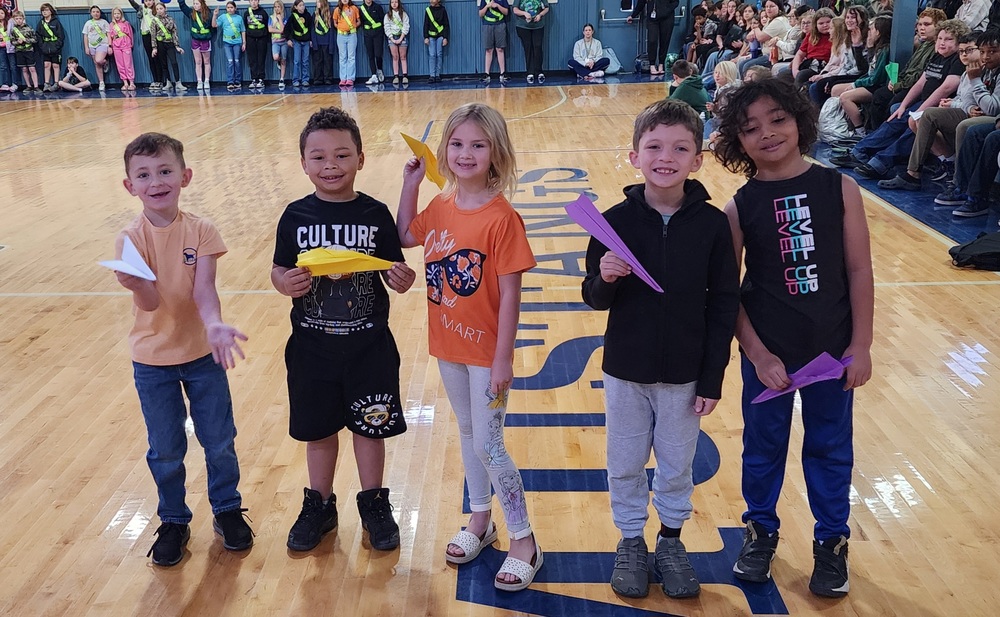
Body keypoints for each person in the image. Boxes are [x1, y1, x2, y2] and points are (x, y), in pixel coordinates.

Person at [712, 77, 873, 599]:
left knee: (830, 449)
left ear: (800, 121)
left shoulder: (840, 188)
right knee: (762, 450)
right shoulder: (739, 206)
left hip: (832, 353)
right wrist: (757, 353)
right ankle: (760, 531)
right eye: (750, 127)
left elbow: (859, 270)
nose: (767, 133)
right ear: (737, 142)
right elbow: (727, 292)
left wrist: (862, 345)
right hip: (769, 359)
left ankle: (832, 544)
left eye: (777, 119)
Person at [582, 99, 739, 600]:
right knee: (625, 461)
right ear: (634, 156)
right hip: (625, 371)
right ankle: (631, 541)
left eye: (680, 148)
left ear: (698, 159)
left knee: (676, 465)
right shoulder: (610, 222)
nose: (665, 156)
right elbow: (593, 297)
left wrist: (712, 377)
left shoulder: (714, 227)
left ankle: (670, 541)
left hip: (686, 376)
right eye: (653, 146)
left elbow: (724, 306)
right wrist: (604, 278)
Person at [396, 102, 542, 592]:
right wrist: (411, 185)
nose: (465, 153)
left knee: (489, 443)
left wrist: (503, 357)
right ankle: (481, 518)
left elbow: (512, 297)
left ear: (496, 153)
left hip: (488, 355)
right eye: (457, 144)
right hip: (448, 345)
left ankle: (524, 540)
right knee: (466, 433)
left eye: (478, 144)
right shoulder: (440, 206)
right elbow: (403, 236)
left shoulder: (503, 218)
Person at [271, 107, 416, 555]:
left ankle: (373, 502)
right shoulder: (295, 216)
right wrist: (285, 283)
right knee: (318, 433)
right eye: (318, 157)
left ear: (361, 159)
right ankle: (320, 503)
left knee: (370, 429)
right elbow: (279, 271)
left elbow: (395, 268)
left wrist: (402, 278)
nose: (330, 166)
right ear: (303, 163)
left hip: (369, 348)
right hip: (311, 350)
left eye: (341, 155)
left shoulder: (375, 215)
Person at [113, 132, 255, 568]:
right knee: (166, 448)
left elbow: (205, 290)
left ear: (184, 176)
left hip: (202, 357)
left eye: (164, 171)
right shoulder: (129, 239)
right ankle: (173, 519)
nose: (155, 181)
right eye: (144, 174)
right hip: (152, 362)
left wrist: (213, 325)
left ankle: (227, 509)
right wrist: (138, 286)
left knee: (219, 440)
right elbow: (151, 304)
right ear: (130, 185)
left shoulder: (202, 230)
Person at [831, 18, 970, 180]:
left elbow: (946, 88)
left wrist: (918, 110)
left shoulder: (958, 61)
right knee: (894, 118)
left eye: (948, 39)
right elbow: (919, 84)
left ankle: (881, 163)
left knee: (915, 123)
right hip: (923, 103)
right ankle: (860, 151)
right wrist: (903, 106)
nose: (942, 43)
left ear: (959, 42)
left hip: (942, 107)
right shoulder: (937, 57)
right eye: (940, 38)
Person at [878, 31, 1000, 192]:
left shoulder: (979, 73)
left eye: (992, 51)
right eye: (983, 51)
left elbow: (992, 108)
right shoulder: (975, 71)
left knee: (965, 126)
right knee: (927, 115)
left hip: (990, 118)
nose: (986, 56)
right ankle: (913, 173)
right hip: (970, 113)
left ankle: (959, 181)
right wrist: (967, 107)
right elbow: (965, 101)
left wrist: (975, 81)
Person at [829, 15, 892, 137]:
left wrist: (855, 84)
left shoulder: (885, 50)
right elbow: (868, 71)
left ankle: (860, 131)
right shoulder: (876, 48)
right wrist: (869, 48)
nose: (869, 32)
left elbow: (876, 78)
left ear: (879, 32)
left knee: (845, 97)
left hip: (876, 86)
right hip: (868, 82)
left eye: (872, 29)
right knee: (835, 89)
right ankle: (845, 124)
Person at [627, 0, 678, 76]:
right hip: (652, 17)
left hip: (667, 18)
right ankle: (652, 64)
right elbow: (641, 2)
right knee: (652, 40)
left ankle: (661, 63)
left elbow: (675, 2)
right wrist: (633, 15)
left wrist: (665, 10)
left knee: (665, 40)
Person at [178, 0, 215, 90]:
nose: (195, 5)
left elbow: (213, 27)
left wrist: (208, 36)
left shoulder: (209, 14)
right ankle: (199, 81)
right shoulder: (191, 13)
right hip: (195, 40)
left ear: (202, 4)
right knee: (198, 62)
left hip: (205, 40)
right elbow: (183, 6)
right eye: (194, 4)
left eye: (197, 4)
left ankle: (206, 81)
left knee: (206, 62)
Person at [150, 2, 185, 92]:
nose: (159, 11)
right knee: (164, 64)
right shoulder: (154, 21)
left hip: (169, 44)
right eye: (157, 9)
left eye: (161, 8)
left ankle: (178, 82)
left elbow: (174, 33)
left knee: (174, 62)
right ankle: (168, 82)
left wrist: (177, 46)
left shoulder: (170, 19)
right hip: (160, 43)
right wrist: (154, 48)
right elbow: (153, 35)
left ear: (165, 9)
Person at [513, 0, 548, 83]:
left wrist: (540, 15)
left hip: (538, 26)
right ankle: (530, 72)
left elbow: (546, 8)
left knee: (538, 47)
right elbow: (515, 9)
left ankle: (539, 71)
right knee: (528, 48)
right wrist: (524, 13)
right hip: (523, 26)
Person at [214, 2, 246, 91]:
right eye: (228, 7)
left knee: (236, 61)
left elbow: (243, 30)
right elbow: (214, 25)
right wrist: (215, 15)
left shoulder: (239, 18)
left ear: (235, 8)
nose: (230, 9)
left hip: (237, 42)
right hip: (227, 43)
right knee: (230, 61)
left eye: (231, 7)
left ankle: (238, 81)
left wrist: (244, 43)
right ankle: (230, 81)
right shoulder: (223, 17)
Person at [127, 0, 156, 89]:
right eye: (146, 1)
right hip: (146, 35)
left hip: (156, 35)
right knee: (151, 58)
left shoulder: (157, 9)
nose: (148, 2)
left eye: (150, 0)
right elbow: (134, 5)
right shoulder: (142, 8)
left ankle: (163, 81)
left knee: (159, 58)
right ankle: (155, 80)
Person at [478, 0, 509, 84]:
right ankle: (486, 74)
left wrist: (498, 6)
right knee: (488, 50)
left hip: (500, 24)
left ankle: (502, 73)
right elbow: (480, 14)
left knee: (500, 49)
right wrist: (487, 6)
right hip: (487, 25)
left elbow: (506, 12)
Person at [36, 3, 64, 92]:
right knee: (46, 65)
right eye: (43, 11)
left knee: (55, 65)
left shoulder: (56, 22)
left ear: (51, 11)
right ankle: (46, 83)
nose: (45, 12)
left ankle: (56, 83)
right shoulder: (40, 23)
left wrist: (57, 46)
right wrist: (42, 46)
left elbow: (61, 36)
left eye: (47, 10)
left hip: (55, 47)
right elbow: (38, 36)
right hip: (45, 47)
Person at [283, 0, 312, 87]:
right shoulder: (293, 16)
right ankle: (295, 80)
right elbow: (286, 29)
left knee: (305, 61)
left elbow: (311, 28)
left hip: (306, 41)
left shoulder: (308, 15)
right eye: (300, 5)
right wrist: (288, 39)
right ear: (296, 7)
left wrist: (311, 40)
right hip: (297, 41)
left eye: (303, 5)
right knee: (296, 61)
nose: (302, 7)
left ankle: (305, 79)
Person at [10, 10, 40, 93]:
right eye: (16, 19)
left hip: (29, 51)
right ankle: (28, 86)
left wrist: (26, 40)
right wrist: (17, 42)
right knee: (24, 69)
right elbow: (12, 41)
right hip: (19, 51)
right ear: (14, 19)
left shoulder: (29, 28)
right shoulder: (13, 30)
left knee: (32, 68)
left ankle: (36, 86)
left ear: (23, 18)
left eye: (20, 18)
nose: (19, 20)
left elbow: (35, 39)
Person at [82, 5, 110, 92]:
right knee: (97, 64)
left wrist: (109, 45)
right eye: (93, 12)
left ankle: (105, 62)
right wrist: (86, 47)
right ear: (91, 13)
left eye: (97, 12)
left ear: (100, 13)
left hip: (102, 44)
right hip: (92, 45)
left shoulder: (104, 22)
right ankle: (101, 82)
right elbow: (85, 36)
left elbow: (108, 34)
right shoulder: (88, 23)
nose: (96, 13)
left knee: (99, 60)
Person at [108, 7, 136, 91]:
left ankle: (131, 82)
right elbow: (110, 36)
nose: (117, 15)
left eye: (118, 13)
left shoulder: (126, 23)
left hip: (126, 44)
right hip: (116, 46)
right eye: (115, 14)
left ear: (121, 14)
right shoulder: (111, 25)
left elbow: (130, 34)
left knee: (128, 64)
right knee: (120, 65)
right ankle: (125, 82)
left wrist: (131, 44)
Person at [333, 0, 361, 87]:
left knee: (351, 57)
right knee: (342, 57)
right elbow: (335, 23)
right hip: (341, 35)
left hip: (352, 35)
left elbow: (358, 21)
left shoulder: (354, 8)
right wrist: (341, 28)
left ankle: (350, 78)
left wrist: (352, 27)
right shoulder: (337, 10)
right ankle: (343, 78)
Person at [245, 0, 270, 89]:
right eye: (252, 1)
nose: (254, 2)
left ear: (258, 1)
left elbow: (267, 25)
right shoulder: (246, 13)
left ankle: (261, 79)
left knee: (261, 59)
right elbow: (245, 26)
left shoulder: (263, 12)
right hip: (250, 38)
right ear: (249, 2)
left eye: (255, 0)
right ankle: (254, 79)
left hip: (262, 38)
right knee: (252, 59)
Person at [360, 0, 386, 84]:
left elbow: (382, 20)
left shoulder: (378, 7)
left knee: (378, 54)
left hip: (378, 33)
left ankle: (379, 69)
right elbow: (361, 22)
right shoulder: (362, 9)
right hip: (367, 34)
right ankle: (373, 75)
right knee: (370, 55)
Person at [423, 0, 448, 84]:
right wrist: (426, 37)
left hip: (440, 36)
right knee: (432, 55)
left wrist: (445, 37)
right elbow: (425, 24)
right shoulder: (428, 10)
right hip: (431, 36)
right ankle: (432, 75)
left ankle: (437, 75)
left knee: (439, 54)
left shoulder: (443, 10)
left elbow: (446, 24)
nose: (431, 0)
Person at [384, 0, 408, 84]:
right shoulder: (387, 16)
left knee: (403, 56)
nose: (394, 4)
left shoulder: (404, 14)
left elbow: (406, 26)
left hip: (402, 36)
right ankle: (396, 76)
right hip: (392, 37)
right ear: (390, 4)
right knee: (395, 57)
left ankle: (405, 76)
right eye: (392, 2)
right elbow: (386, 28)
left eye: (396, 2)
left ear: (399, 3)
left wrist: (401, 38)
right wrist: (392, 38)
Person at [312, 0, 334, 85]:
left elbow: (331, 31)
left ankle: (328, 78)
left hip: (327, 42)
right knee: (317, 61)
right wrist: (314, 42)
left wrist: (331, 43)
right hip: (317, 42)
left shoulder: (328, 15)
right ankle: (318, 78)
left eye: (318, 2)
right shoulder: (314, 15)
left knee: (327, 61)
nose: (317, 3)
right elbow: (312, 30)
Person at [269, 0, 288, 89]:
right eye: (275, 7)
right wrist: (278, 30)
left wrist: (280, 19)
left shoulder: (285, 18)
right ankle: (278, 61)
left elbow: (283, 29)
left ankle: (281, 79)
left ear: (281, 8)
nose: (277, 9)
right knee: (276, 57)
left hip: (284, 41)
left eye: (278, 7)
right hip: (275, 41)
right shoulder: (271, 17)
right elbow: (270, 29)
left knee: (284, 60)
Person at [0, 8, 18, 93]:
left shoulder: (10, 22)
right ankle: (4, 83)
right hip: (1, 48)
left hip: (10, 47)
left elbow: (14, 32)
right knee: (3, 66)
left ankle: (15, 83)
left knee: (12, 66)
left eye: (2, 13)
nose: (0, 15)